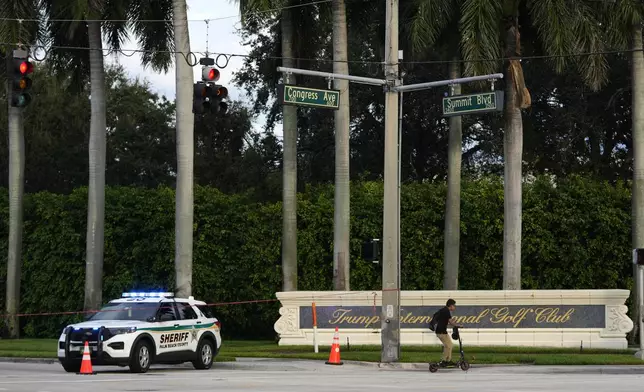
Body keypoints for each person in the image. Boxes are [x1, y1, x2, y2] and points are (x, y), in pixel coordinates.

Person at [433, 298, 462, 366]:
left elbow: (445, 322)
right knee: (448, 345)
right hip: (441, 332)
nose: (454, 307)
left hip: (441, 331)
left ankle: (447, 360)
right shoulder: (446, 311)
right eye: (454, 306)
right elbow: (450, 322)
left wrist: (454, 323)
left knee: (449, 345)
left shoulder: (444, 310)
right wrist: (458, 325)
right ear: (451, 305)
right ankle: (444, 361)